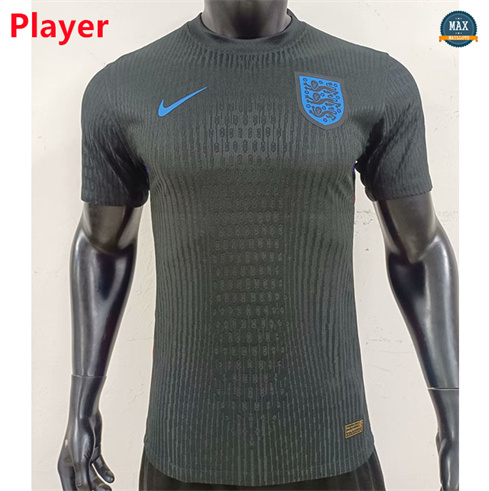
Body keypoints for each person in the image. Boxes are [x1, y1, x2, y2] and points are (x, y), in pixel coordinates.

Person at [57, 1, 459, 490]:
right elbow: (102, 244)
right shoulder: (124, 87)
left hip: (332, 439)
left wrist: (456, 417)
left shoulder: (373, 80)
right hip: (185, 444)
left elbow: (419, 249)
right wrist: (81, 405)